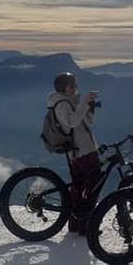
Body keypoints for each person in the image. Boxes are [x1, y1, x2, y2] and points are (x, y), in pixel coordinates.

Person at [47, 72, 100, 234]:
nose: (75, 88)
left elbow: (88, 122)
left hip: (85, 148)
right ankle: (85, 225)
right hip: (81, 151)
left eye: (75, 85)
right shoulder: (61, 103)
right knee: (92, 186)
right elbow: (71, 122)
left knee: (80, 187)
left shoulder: (72, 101)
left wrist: (90, 106)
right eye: (72, 86)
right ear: (63, 87)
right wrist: (84, 103)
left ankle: (76, 224)